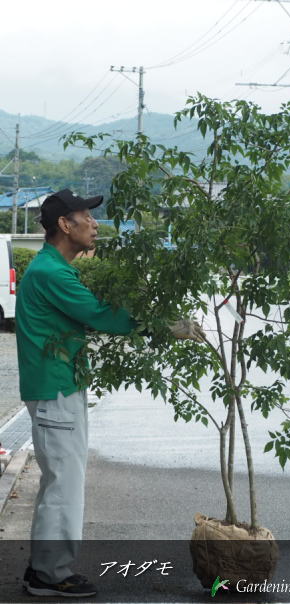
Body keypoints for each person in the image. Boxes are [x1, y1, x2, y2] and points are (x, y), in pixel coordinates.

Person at [15, 189, 204, 598]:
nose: (95, 223)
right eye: (86, 216)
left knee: (60, 483)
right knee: (64, 484)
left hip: (60, 384)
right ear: (65, 225)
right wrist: (163, 324)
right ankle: (50, 575)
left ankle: (43, 570)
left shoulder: (51, 267)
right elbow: (100, 314)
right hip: (54, 388)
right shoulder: (51, 272)